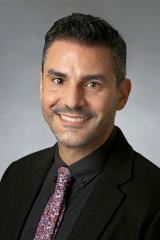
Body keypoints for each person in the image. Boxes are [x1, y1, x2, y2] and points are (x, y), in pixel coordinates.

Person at [0, 13, 160, 240]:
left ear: (121, 95)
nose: (72, 101)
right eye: (58, 80)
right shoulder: (15, 176)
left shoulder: (153, 201)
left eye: (92, 84)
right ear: (42, 85)